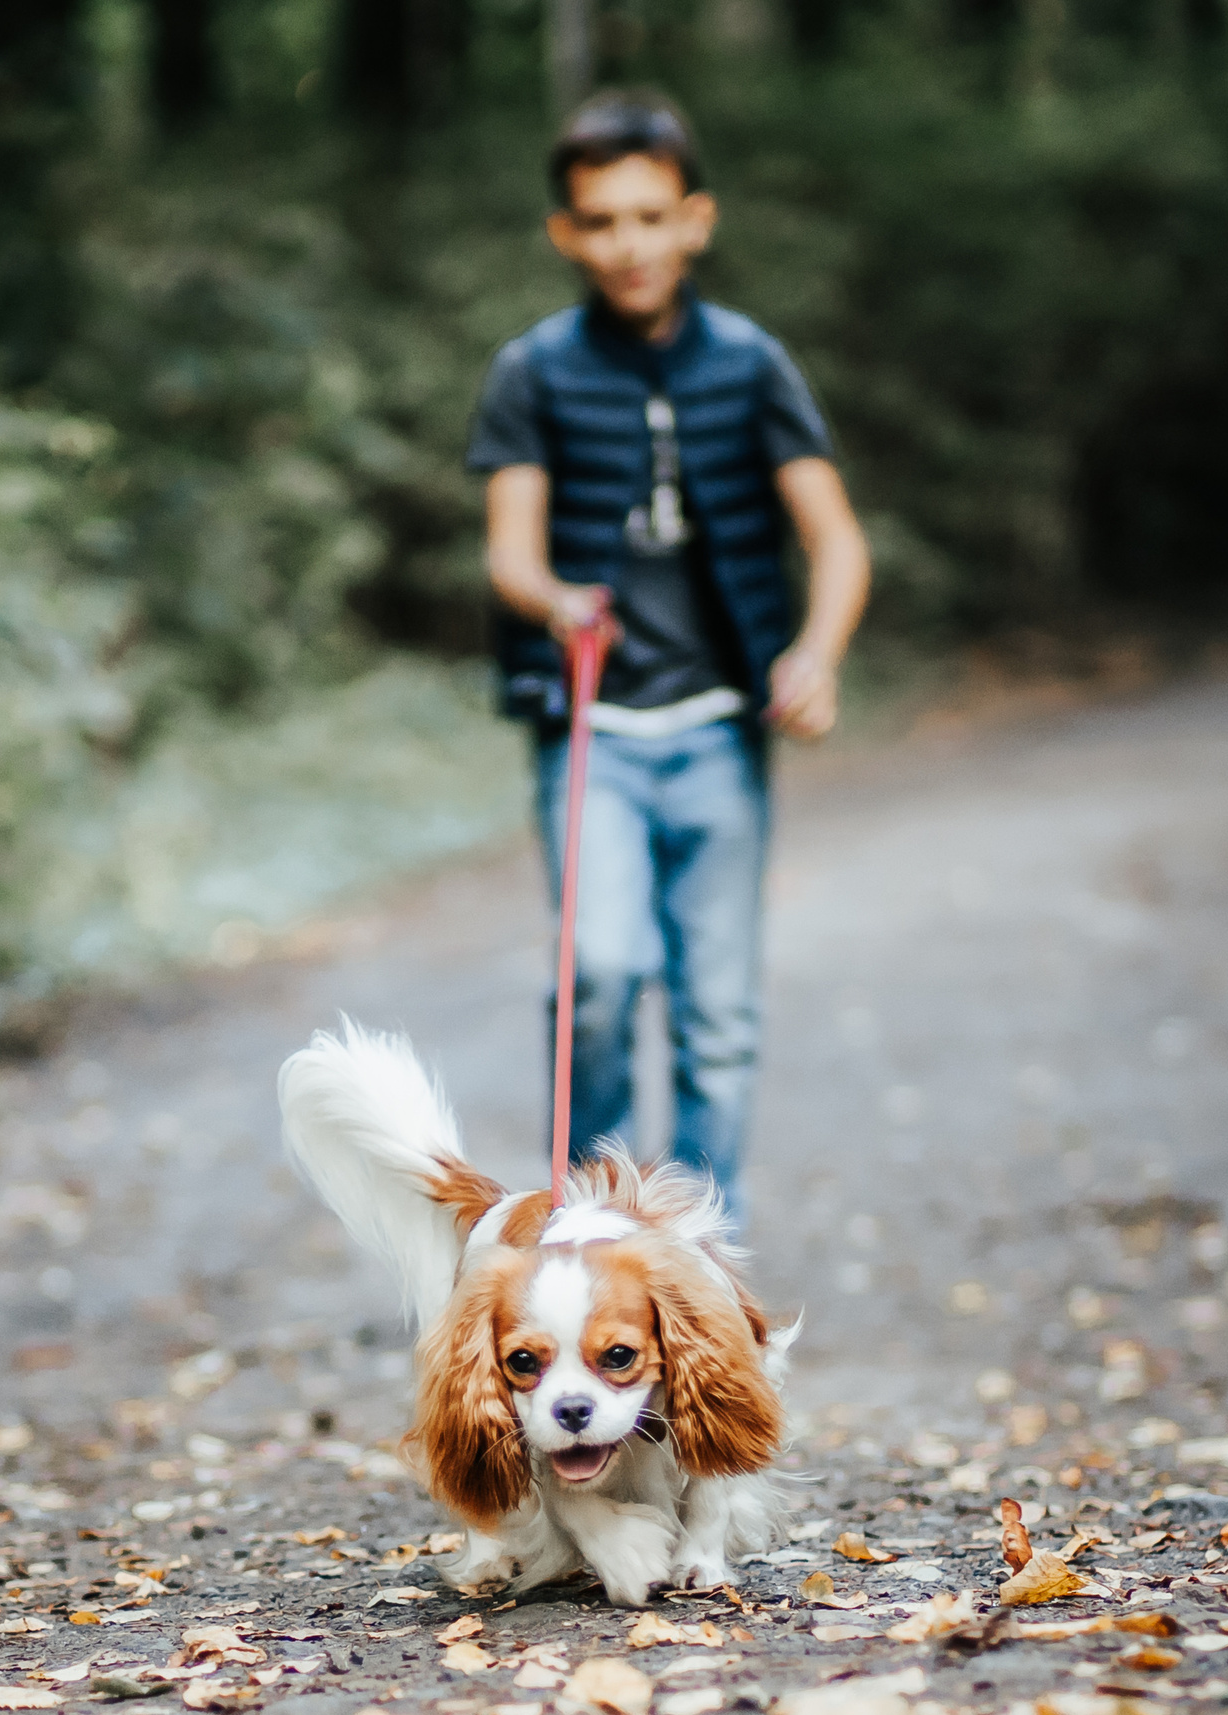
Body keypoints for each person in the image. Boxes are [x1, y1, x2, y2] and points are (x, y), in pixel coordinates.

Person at [465, 88, 869, 1231]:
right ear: (566, 234)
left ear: (695, 220)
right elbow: (509, 552)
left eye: (649, 217)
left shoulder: (748, 365)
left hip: (717, 735)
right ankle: (591, 1226)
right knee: (597, 975)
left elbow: (834, 538)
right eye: (600, 222)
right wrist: (555, 599)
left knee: (719, 1013)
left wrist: (815, 655)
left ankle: (697, 1249)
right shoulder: (533, 371)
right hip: (592, 732)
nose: (627, 245)